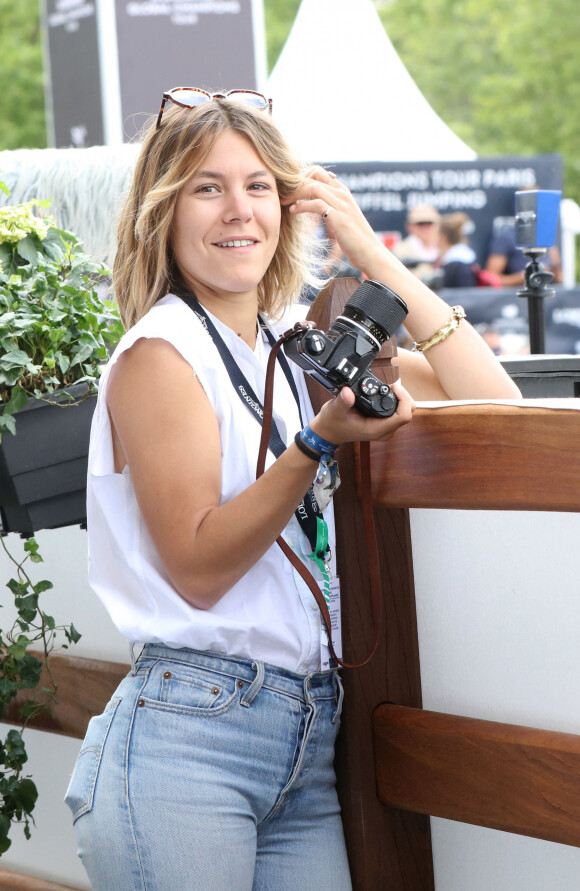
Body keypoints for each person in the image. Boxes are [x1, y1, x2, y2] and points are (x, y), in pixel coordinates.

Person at [64, 87, 520, 891]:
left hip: (307, 740)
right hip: (188, 738)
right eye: (207, 188)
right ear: (164, 213)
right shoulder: (160, 354)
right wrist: (314, 444)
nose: (238, 209)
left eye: (258, 186)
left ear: (287, 203)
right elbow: (199, 567)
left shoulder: (290, 343)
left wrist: (375, 259)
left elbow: (493, 399)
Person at [485, 216, 563, 287]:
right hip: (518, 293)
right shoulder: (506, 237)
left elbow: (560, 276)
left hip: (547, 292)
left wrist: (551, 273)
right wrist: (525, 276)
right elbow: (490, 280)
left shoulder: (546, 237)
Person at [392, 203, 441, 283]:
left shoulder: (443, 249)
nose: (425, 228)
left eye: (429, 223)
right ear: (409, 226)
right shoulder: (400, 251)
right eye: (420, 224)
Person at [437, 212, 478, 288]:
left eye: (436, 234)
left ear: (443, 237)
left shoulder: (458, 265)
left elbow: (465, 295)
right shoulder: (459, 261)